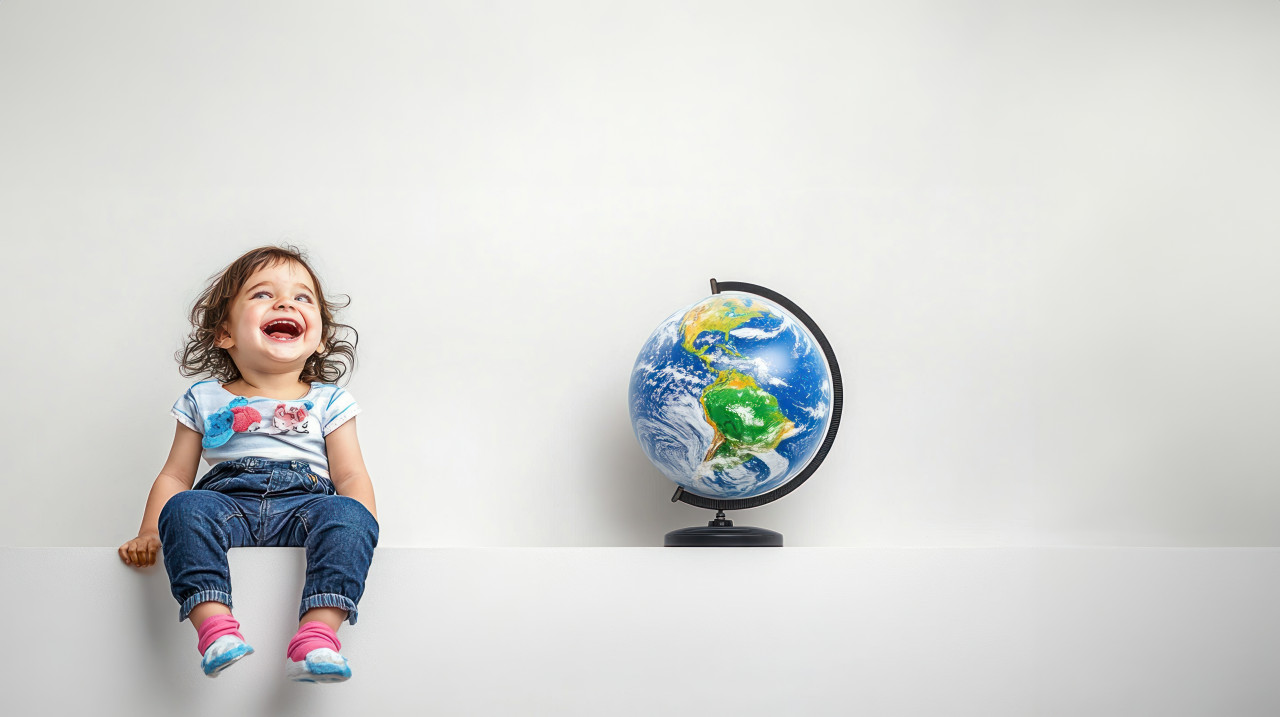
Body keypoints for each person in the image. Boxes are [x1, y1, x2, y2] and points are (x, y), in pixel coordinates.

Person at [118, 245, 379, 683]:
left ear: (321, 338)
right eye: (262, 294)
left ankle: (317, 635)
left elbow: (350, 475)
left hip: (305, 505)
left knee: (349, 513)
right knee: (184, 507)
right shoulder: (205, 396)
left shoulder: (329, 400)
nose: (284, 303)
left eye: (302, 297)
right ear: (225, 333)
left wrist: (359, 529)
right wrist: (149, 531)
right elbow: (177, 475)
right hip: (227, 503)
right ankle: (215, 627)